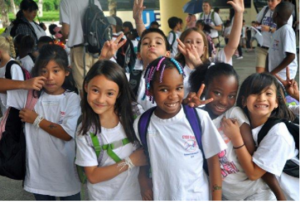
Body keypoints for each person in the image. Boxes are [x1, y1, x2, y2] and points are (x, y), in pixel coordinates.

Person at [134, 57, 226, 200]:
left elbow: (213, 163)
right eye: (164, 89)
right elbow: (145, 156)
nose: (173, 96)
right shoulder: (142, 123)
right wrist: (143, 181)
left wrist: (217, 199)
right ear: (150, 90)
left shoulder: (198, 118)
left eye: (179, 88)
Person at [188, 63, 283, 200]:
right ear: (205, 88)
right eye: (217, 93)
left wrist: (280, 196)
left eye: (231, 96)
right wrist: (187, 106)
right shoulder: (196, 119)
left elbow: (257, 160)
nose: (223, 101)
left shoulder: (234, 114)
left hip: (256, 193)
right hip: (229, 197)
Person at [5, 44, 81, 200]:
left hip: (66, 175)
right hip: (38, 177)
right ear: (37, 72)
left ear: (66, 72)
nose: (49, 77)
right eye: (44, 71)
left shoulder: (72, 98)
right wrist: (23, 84)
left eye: (56, 71)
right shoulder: (30, 95)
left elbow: (67, 133)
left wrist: (36, 119)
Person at [75, 60, 147, 200]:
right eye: (95, 90)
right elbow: (93, 176)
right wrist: (130, 161)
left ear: (119, 94)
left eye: (109, 93)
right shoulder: (85, 131)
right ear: (86, 87)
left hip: (136, 195)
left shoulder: (134, 114)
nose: (101, 99)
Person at [223, 72, 300, 200]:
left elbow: (253, 173)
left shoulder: (278, 133)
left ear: (276, 103)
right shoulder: (247, 121)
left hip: (292, 196)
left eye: (268, 93)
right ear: (243, 101)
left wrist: (236, 139)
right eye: (255, 92)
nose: (261, 98)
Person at [175, 0, 244, 97]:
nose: (193, 45)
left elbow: (232, 45)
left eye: (198, 42)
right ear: (181, 45)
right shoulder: (174, 68)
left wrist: (239, 13)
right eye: (188, 41)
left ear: (204, 48)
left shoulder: (214, 63)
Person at [59, 0, 102, 92]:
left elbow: (66, 31)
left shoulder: (65, 2)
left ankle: (85, 106)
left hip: (79, 50)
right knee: (97, 85)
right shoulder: (94, 1)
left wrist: (62, 38)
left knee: (83, 87)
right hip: (96, 49)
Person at [255, 0, 293, 73]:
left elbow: (285, 31)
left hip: (276, 49)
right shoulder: (265, 9)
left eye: (272, 1)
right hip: (262, 47)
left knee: (273, 74)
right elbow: (257, 22)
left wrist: (269, 29)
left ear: (279, 1)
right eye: (268, 1)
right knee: (260, 74)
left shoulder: (286, 13)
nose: (269, 3)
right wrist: (256, 25)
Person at [268, 2, 297, 81]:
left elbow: (291, 56)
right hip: (276, 75)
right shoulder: (278, 31)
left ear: (275, 14)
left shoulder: (286, 30)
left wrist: (272, 73)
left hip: (284, 76)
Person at [0, 36, 23, 115]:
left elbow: (19, 91)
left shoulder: (13, 67)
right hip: (3, 111)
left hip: (12, 113)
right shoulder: (1, 65)